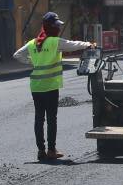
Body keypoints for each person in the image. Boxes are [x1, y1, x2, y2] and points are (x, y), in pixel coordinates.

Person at [13, 12, 98, 162]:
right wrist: (89, 44)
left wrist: (33, 62)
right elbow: (72, 45)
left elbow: (17, 55)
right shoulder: (54, 42)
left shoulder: (33, 43)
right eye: (57, 26)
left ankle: (41, 151)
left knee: (39, 118)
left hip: (36, 87)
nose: (58, 28)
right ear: (50, 27)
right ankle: (51, 150)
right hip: (50, 87)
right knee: (51, 119)